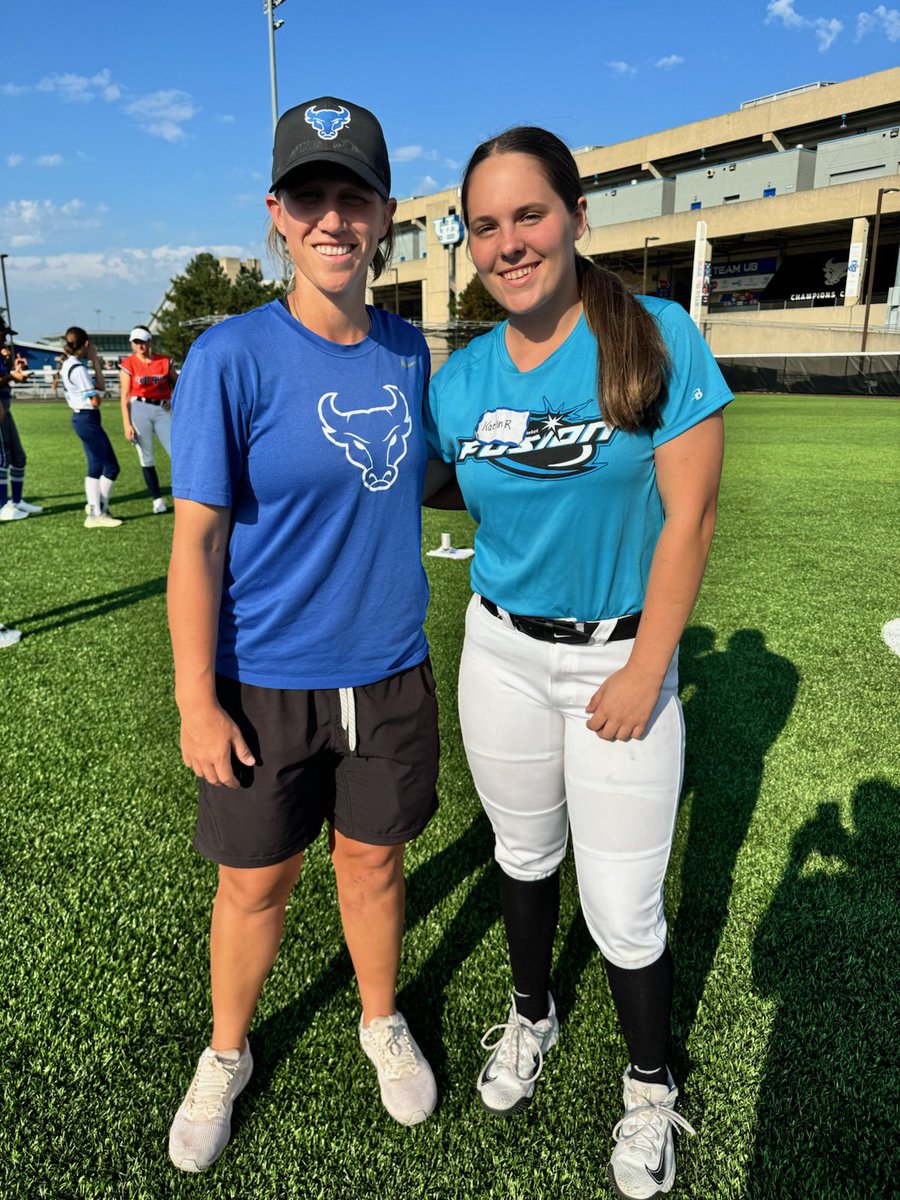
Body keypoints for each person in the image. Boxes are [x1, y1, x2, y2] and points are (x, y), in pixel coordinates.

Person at [426, 127, 732, 1199]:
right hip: (501, 652)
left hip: (621, 659)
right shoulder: (461, 380)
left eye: (530, 215)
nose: (508, 243)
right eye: (486, 225)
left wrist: (647, 670)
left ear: (577, 216)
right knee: (522, 856)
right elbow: (423, 483)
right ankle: (532, 1016)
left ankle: (649, 1085)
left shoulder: (653, 335)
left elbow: (691, 519)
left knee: (624, 902)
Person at [166, 95, 440, 1173]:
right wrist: (196, 697)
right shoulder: (228, 356)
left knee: (372, 863)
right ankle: (225, 1052)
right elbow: (196, 545)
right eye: (309, 196)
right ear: (276, 215)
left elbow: (431, 479)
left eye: (354, 196)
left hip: (389, 672)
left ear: (385, 214)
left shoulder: (410, 352)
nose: (334, 218)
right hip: (264, 680)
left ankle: (380, 1018)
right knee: (256, 882)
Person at [58, 327, 122, 528]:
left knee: (95, 466)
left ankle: (96, 509)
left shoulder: (69, 364)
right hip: (87, 418)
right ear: (86, 344)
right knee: (111, 467)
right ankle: (97, 511)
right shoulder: (78, 368)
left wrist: (94, 362)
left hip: (82, 418)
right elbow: (95, 400)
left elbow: (98, 388)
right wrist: (94, 362)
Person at [120, 325, 176, 514]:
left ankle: (182, 492)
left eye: (143, 341)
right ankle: (157, 499)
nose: (140, 345)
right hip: (139, 408)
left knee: (176, 451)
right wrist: (127, 424)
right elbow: (125, 396)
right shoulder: (128, 363)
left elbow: (179, 384)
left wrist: (172, 399)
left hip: (161, 408)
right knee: (146, 456)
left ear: (150, 341)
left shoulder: (164, 361)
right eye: (136, 342)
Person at [0, 321, 43, 521]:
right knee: (2, 458)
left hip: (5, 409)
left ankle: (16, 501)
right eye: (3, 334)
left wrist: (15, 370)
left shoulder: (2, 354)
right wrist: (11, 376)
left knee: (18, 456)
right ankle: (2, 505)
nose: (6, 338)